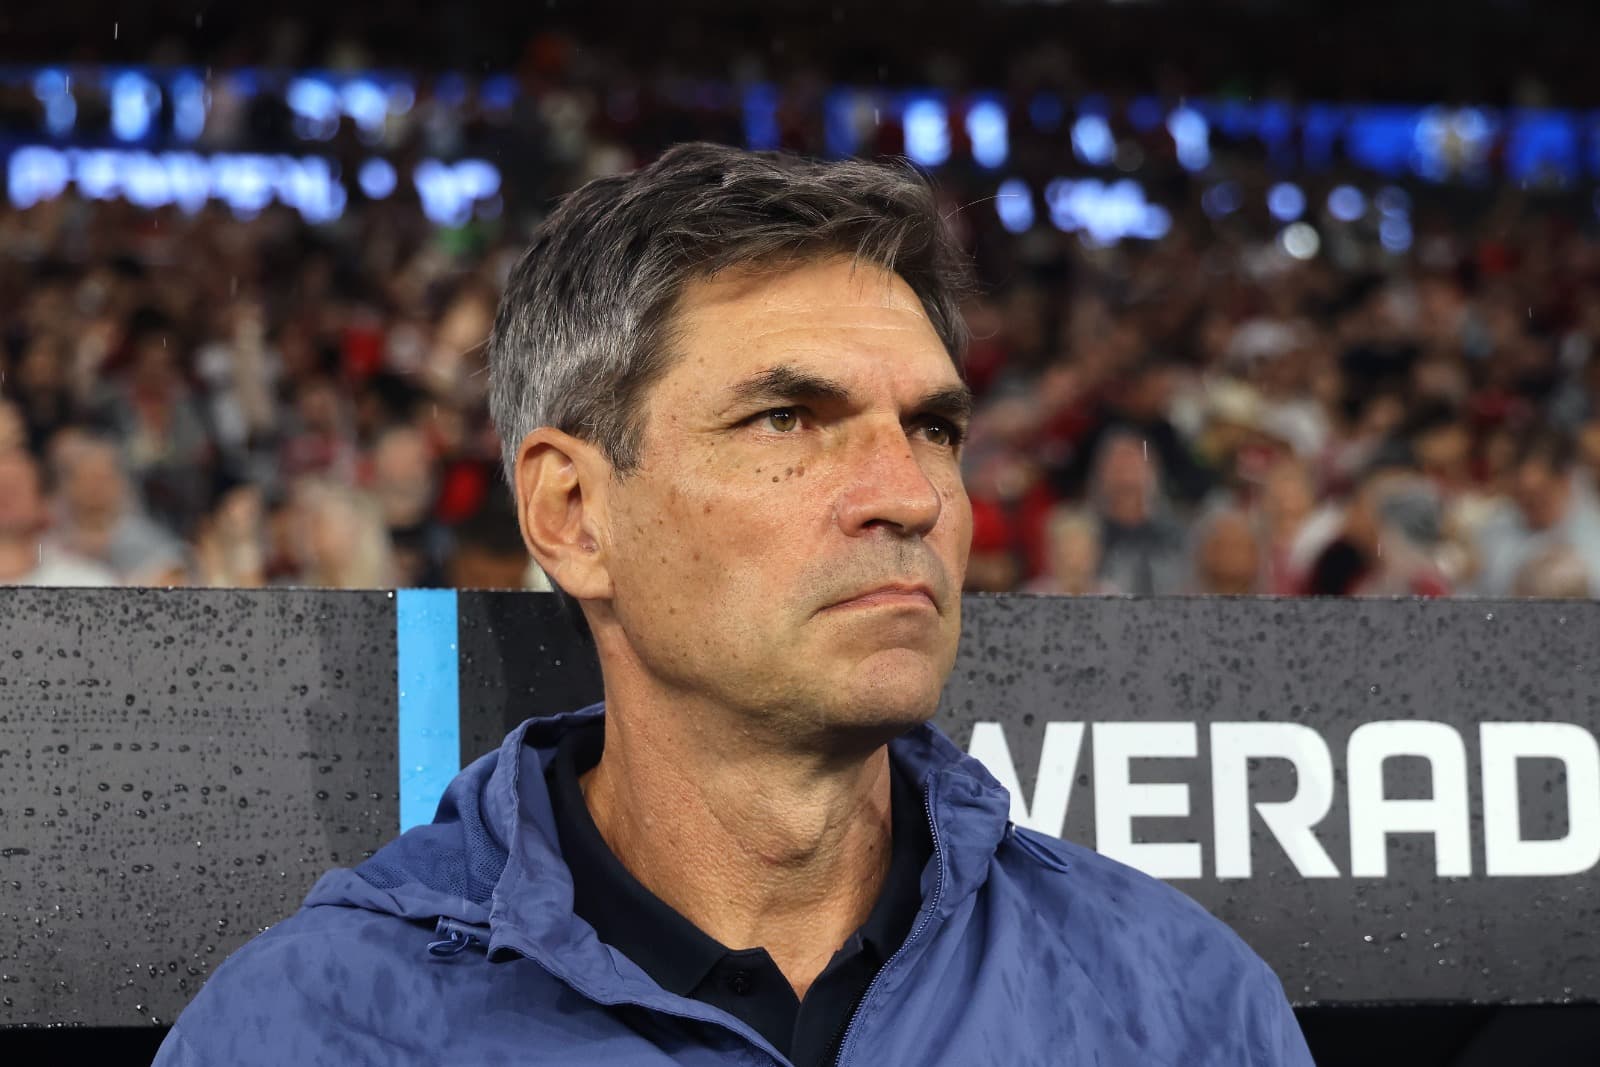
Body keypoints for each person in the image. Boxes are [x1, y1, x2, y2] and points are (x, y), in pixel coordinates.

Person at [155, 143, 1312, 1066]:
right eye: (786, 419)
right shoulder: (315, 1028)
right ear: (570, 512)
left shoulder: (1179, 1003)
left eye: (933, 427)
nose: (907, 494)